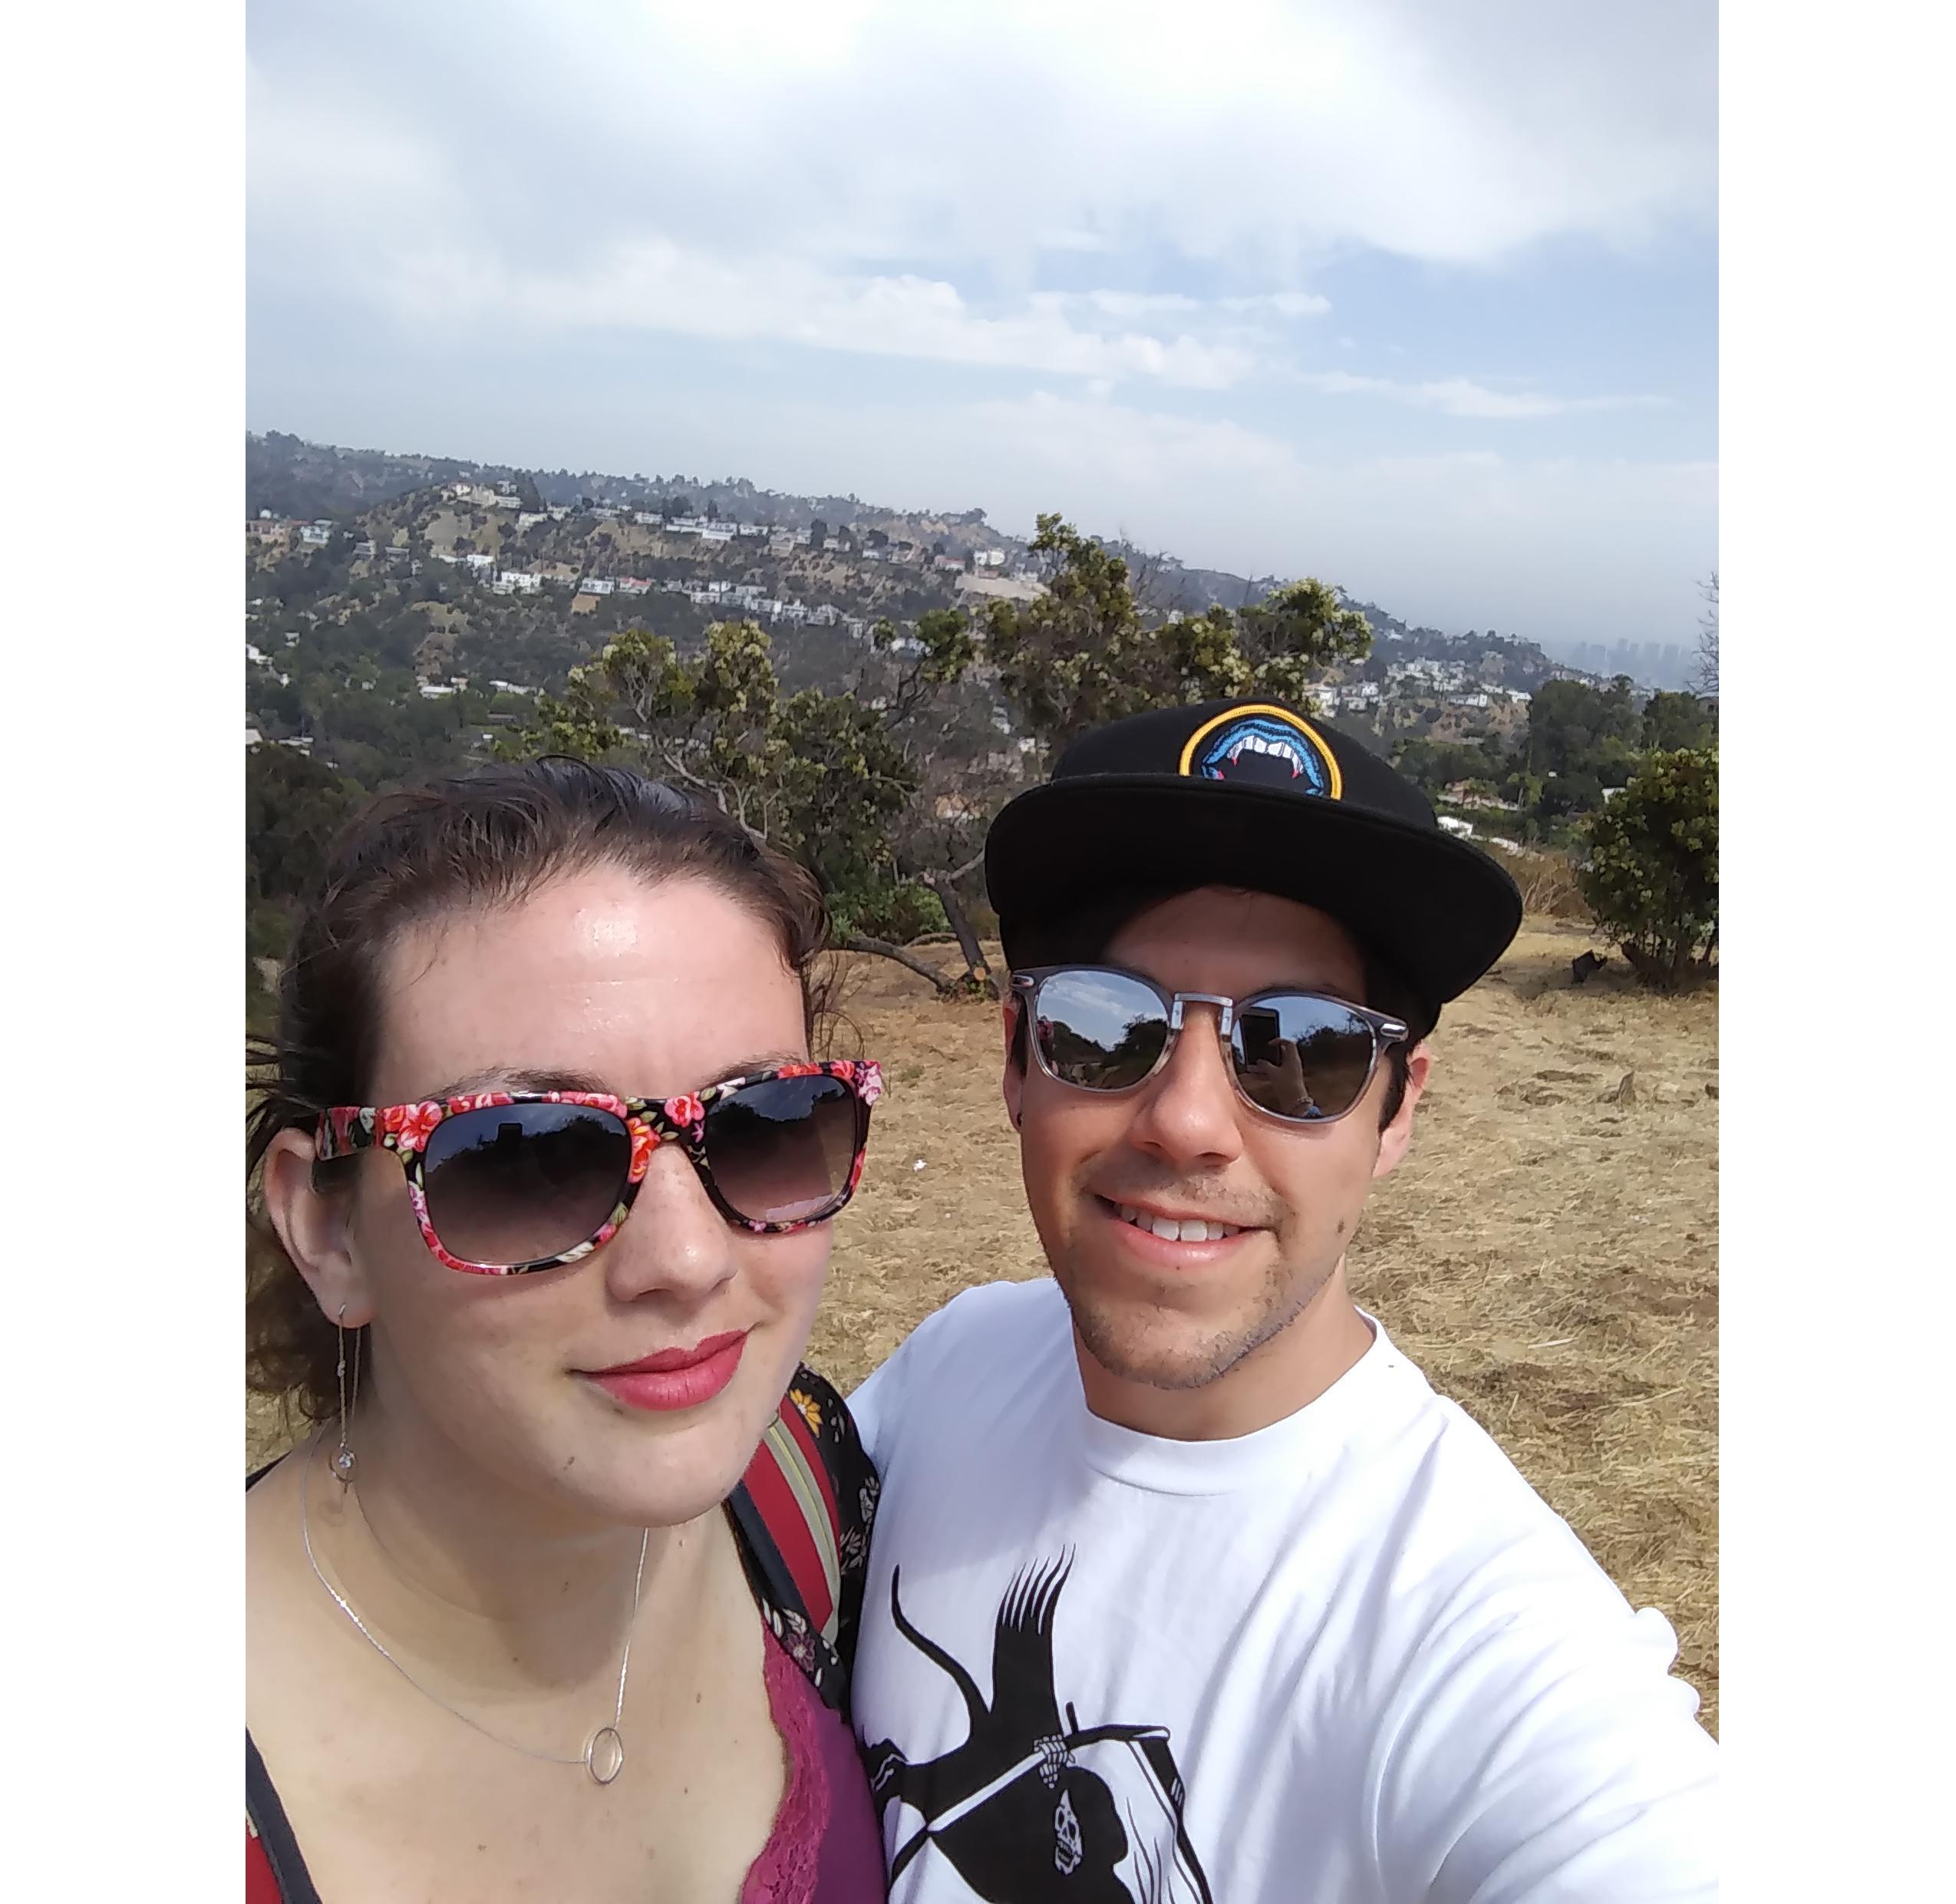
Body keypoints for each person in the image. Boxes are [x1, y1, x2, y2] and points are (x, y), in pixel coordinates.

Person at [846, 699, 1718, 1901]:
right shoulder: (949, 1372)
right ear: (1015, 1057)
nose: (1189, 1122)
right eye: (1108, 1028)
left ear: (1397, 1111)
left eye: (1302, 1050)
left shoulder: (1479, 1642)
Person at [246, 759, 889, 1902]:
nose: (687, 1262)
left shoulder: (805, 1493)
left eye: (768, 1125)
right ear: (327, 1230)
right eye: (529, 1156)